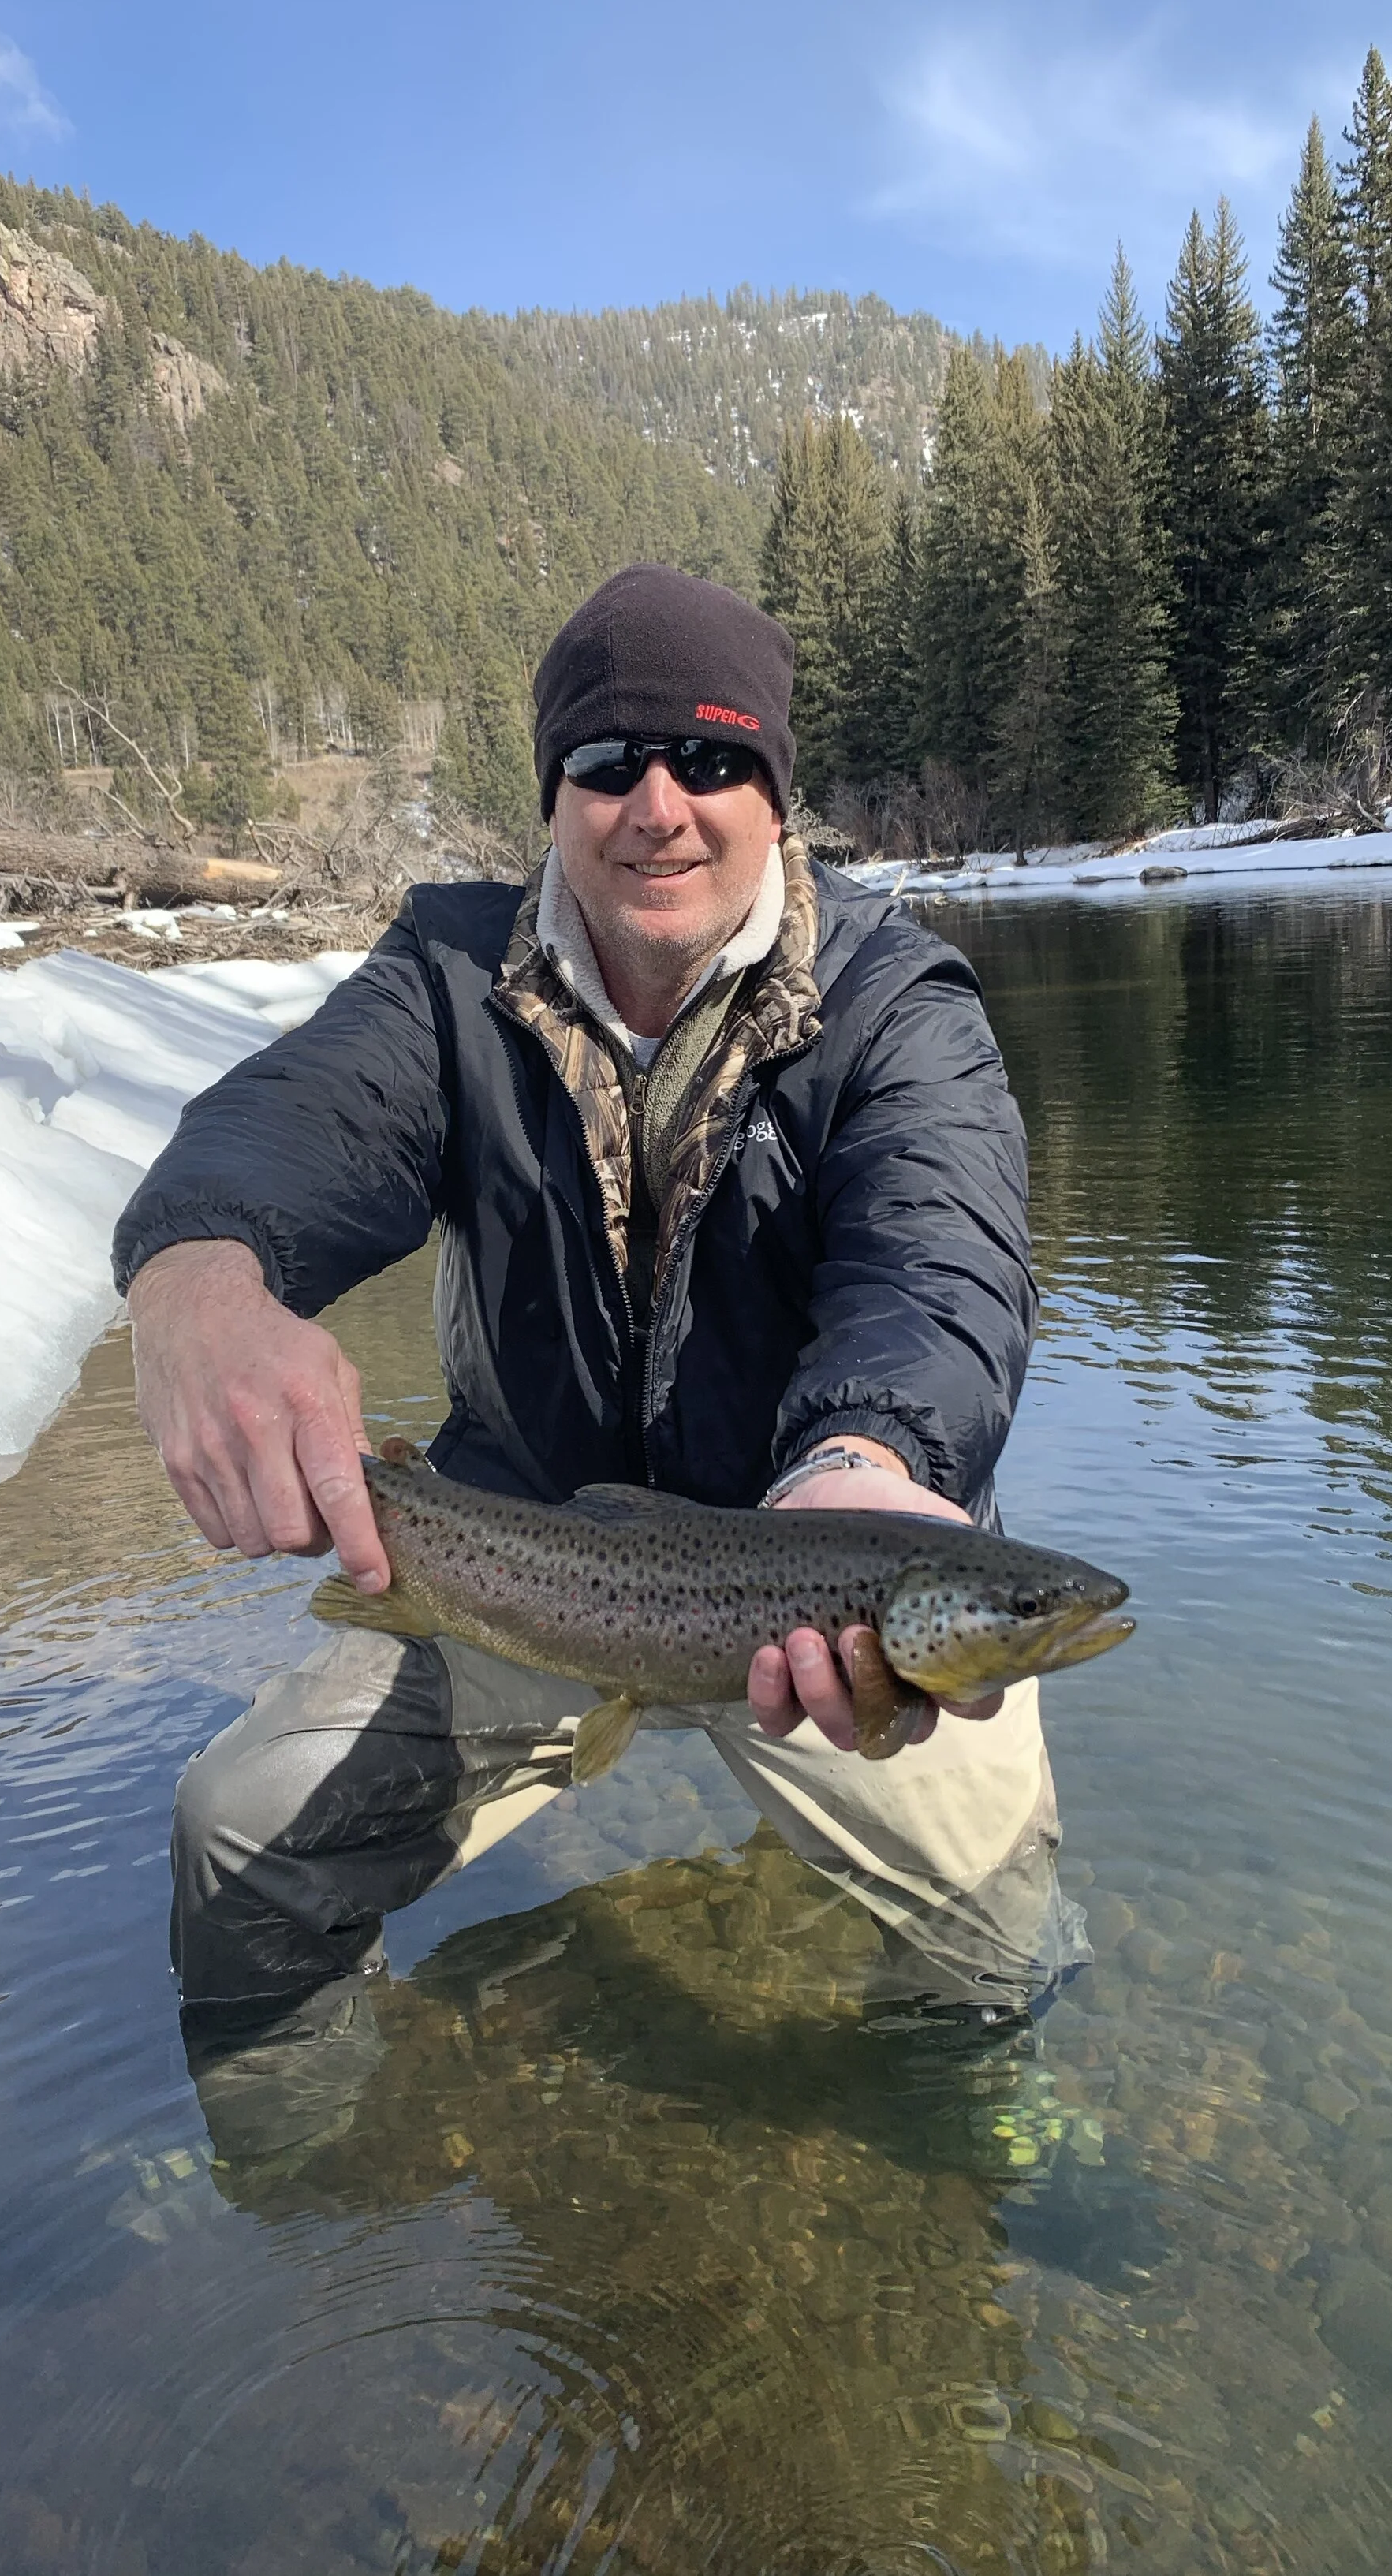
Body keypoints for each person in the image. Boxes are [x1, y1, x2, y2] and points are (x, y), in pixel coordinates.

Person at [113, 565, 1083, 2127]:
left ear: (773, 793)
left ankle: (949, 2171)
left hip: (823, 1591)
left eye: (708, 760)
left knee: (987, 1909)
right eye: (606, 763)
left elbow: (940, 1268)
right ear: (553, 796)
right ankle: (286, 2152)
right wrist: (195, 1280)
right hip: (517, 1566)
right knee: (237, 1830)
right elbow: (286, 1127)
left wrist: (873, 1464)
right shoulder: (442, 980)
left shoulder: (897, 1010)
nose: (658, 805)